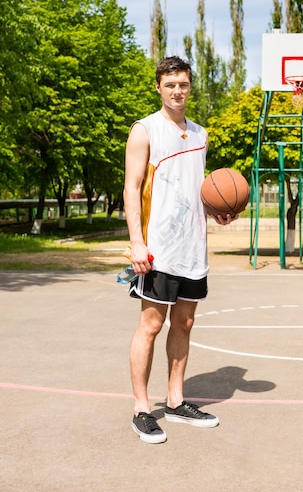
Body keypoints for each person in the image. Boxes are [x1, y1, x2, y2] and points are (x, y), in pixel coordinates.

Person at [123, 55, 232, 444]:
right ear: (158, 87)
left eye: (183, 84)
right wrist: (137, 242)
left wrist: (216, 210)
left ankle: (175, 400)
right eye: (170, 85)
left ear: (190, 86)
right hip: (158, 249)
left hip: (192, 247)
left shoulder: (200, 134)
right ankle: (140, 408)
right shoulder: (145, 130)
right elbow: (131, 189)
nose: (177, 91)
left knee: (184, 323)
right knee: (150, 325)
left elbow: (193, 189)